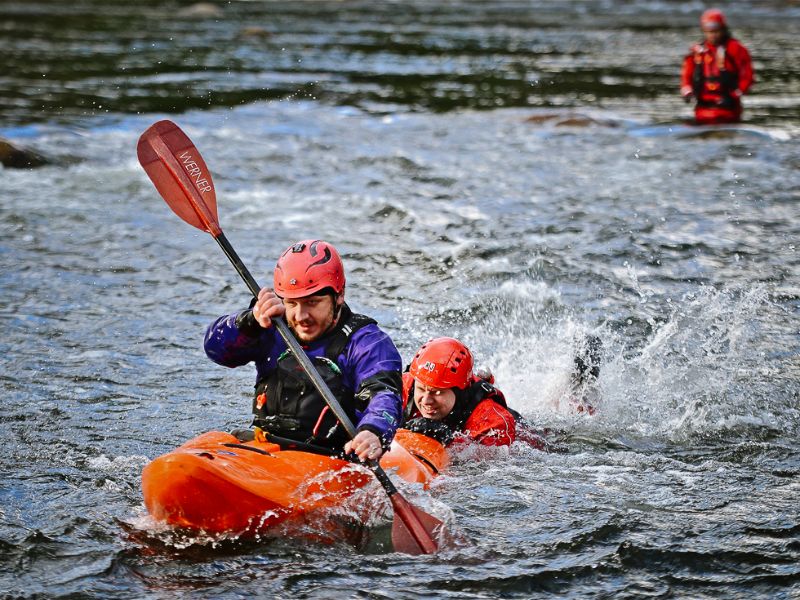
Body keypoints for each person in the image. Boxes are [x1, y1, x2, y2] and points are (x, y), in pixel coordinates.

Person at [204, 239, 403, 462]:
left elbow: (383, 393)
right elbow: (216, 351)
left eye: (312, 302)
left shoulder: (368, 342)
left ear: (339, 295)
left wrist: (373, 431)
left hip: (330, 457)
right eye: (292, 303)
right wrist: (249, 322)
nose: (300, 316)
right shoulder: (271, 326)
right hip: (266, 446)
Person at [400, 337, 522, 447]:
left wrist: (448, 440)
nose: (426, 400)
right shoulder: (402, 388)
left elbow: (489, 457)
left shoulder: (491, 419)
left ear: (459, 391)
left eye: (436, 392)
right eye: (421, 389)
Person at [680, 8, 754, 125]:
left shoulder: (736, 49)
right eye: (709, 32)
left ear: (723, 29)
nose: (713, 35)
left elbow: (747, 76)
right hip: (702, 111)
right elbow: (686, 76)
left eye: (716, 31)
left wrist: (737, 93)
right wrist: (687, 90)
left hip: (729, 111)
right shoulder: (696, 52)